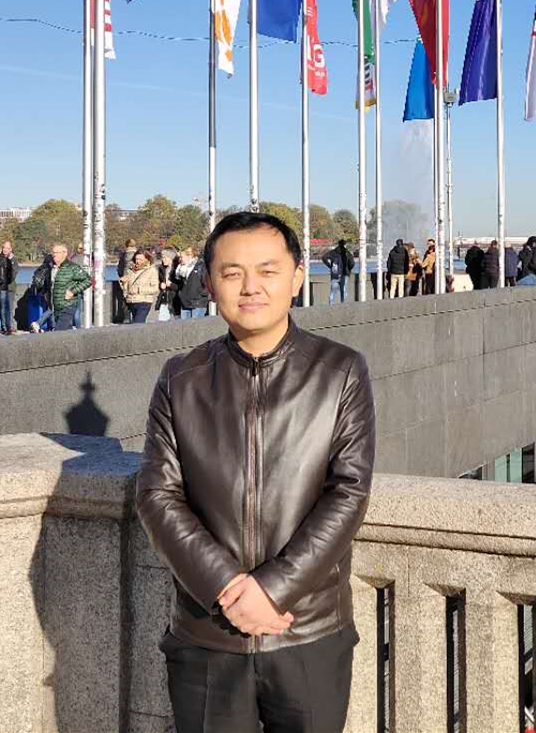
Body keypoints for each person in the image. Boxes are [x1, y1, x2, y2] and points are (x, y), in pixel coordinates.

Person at [136, 211, 373, 733]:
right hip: (207, 634)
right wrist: (226, 587)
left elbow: (348, 492)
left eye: (267, 271)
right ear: (209, 283)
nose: (250, 287)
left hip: (307, 630)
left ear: (296, 277)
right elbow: (157, 495)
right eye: (232, 272)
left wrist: (272, 590)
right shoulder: (181, 378)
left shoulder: (340, 371)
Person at [45, 243, 90, 330]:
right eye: (53, 252)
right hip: (56, 307)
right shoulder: (52, 268)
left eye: (57, 252)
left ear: (64, 253)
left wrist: (73, 291)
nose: (54, 255)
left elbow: (87, 280)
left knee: (59, 331)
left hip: (68, 305)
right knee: (67, 332)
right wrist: (46, 293)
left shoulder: (72, 267)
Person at [120, 250, 160, 323]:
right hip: (131, 301)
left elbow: (155, 288)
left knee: (138, 323)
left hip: (144, 301)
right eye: (136, 259)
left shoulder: (151, 271)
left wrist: (140, 289)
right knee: (134, 324)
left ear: (147, 259)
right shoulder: (130, 270)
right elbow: (127, 288)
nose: (138, 261)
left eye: (141, 259)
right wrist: (124, 283)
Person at [175, 246, 210, 318]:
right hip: (185, 303)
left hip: (198, 303)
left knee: (195, 324)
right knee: (184, 324)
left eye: (182, 257)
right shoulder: (181, 270)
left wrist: (200, 295)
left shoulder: (200, 266)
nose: (180, 259)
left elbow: (207, 283)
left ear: (189, 256)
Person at [322, 239, 355, 304]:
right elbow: (352, 263)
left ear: (338, 244)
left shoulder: (333, 252)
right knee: (343, 291)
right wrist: (349, 269)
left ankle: (331, 305)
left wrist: (329, 266)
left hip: (335, 274)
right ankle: (343, 305)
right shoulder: (347, 253)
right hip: (344, 274)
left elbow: (324, 257)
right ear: (345, 244)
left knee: (333, 291)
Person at [115, 238, 138, 323]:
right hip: (136, 278)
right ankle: (136, 317)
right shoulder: (138, 254)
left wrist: (122, 276)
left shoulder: (124, 255)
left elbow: (119, 269)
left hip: (125, 279)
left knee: (125, 298)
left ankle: (127, 317)